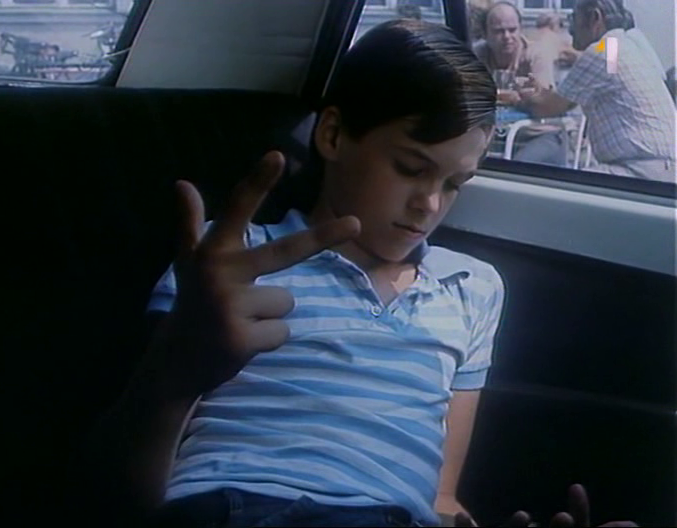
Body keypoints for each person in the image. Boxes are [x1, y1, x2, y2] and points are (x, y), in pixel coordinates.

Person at [80, 19, 640, 528]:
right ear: (332, 136)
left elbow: (441, 499)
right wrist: (176, 370)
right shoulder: (232, 260)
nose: (429, 204)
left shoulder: (472, 288)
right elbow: (124, 493)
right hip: (236, 504)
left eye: (453, 184)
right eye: (410, 168)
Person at [518, 0, 676, 183]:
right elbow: (608, 77)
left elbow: (548, 108)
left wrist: (520, 97)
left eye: (574, 17)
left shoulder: (601, 51)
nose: (570, 28)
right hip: (661, 167)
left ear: (594, 17)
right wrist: (542, 91)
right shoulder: (623, 43)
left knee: (562, 189)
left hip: (641, 169)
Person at [473, 2, 569, 167]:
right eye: (499, 31)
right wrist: (511, 96)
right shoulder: (478, 54)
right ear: (485, 33)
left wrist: (516, 98)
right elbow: (468, 93)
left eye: (512, 30)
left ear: (520, 29)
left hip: (539, 134)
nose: (507, 36)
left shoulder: (536, 54)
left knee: (516, 169)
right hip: (497, 135)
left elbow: (543, 104)